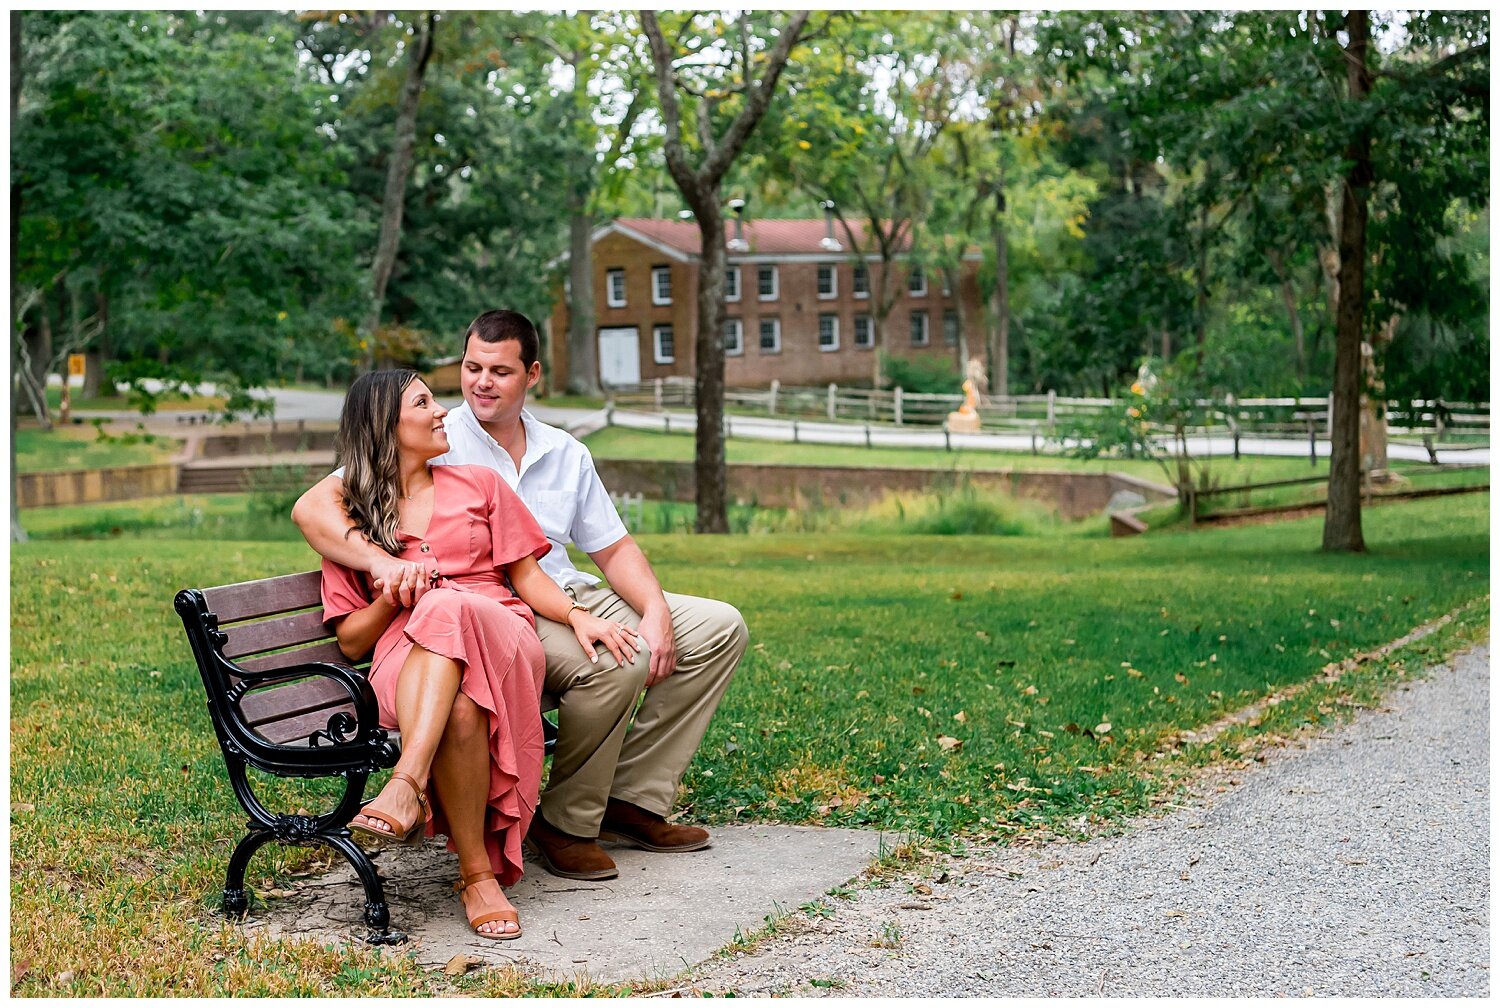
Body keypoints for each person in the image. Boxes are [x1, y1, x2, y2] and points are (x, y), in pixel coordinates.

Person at [293, 309, 748, 883]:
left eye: (500, 371)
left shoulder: (561, 451)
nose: (480, 383)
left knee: (718, 626)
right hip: (499, 609)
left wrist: (654, 611)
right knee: (612, 663)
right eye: (471, 367)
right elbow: (321, 504)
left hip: (552, 591)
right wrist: (389, 568)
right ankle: (565, 821)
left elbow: (611, 549)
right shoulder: (437, 438)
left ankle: (631, 799)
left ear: (531, 375)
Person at [319, 368, 641, 939]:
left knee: (448, 605)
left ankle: (407, 782)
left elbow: (525, 573)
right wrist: (393, 597)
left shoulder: (478, 485)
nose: (442, 411)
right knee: (461, 705)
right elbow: (351, 641)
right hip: (409, 660)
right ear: (386, 426)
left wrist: (574, 613)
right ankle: (476, 876)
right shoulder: (356, 520)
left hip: (501, 631)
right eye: (422, 403)